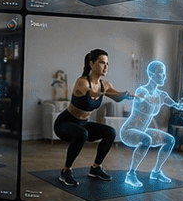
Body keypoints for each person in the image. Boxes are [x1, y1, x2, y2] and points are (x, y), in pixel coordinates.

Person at [54, 49, 130, 187]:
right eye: (101, 62)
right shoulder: (82, 82)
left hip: (83, 124)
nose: (105, 66)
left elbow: (117, 97)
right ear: (91, 64)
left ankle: (96, 168)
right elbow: (93, 93)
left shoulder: (105, 85)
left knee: (110, 132)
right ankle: (66, 171)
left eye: (107, 63)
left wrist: (126, 95)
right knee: (82, 133)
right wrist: (105, 92)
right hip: (64, 124)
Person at [119, 61, 183, 188]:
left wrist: (180, 106)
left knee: (170, 140)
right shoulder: (142, 90)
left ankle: (156, 172)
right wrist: (136, 97)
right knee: (146, 139)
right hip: (128, 131)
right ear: (151, 74)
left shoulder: (162, 95)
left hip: (143, 131)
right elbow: (140, 96)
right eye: (160, 74)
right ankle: (131, 174)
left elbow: (175, 104)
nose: (163, 77)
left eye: (164, 74)